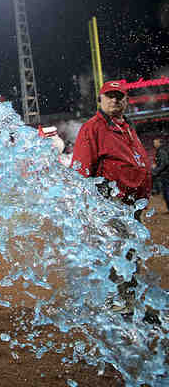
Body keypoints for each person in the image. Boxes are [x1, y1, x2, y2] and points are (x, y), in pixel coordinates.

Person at [71, 80, 159, 324]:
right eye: (109, 96)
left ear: (126, 100)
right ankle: (118, 311)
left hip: (131, 207)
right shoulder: (93, 128)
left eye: (119, 96)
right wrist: (88, 208)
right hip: (110, 205)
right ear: (99, 100)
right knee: (119, 256)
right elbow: (80, 170)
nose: (115, 100)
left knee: (130, 256)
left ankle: (127, 305)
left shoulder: (126, 126)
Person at [152, 137, 169, 212]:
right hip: (164, 174)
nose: (154, 144)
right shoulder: (160, 151)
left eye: (155, 142)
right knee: (165, 193)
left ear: (160, 143)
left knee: (167, 193)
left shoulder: (161, 151)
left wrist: (155, 171)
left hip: (165, 175)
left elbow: (164, 163)